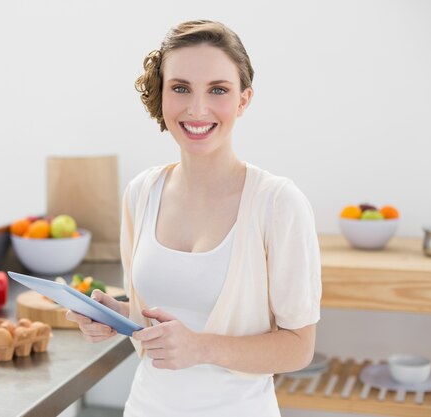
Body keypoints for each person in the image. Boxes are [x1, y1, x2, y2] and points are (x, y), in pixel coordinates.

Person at [67, 20, 322, 417]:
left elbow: (299, 346)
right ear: (162, 94)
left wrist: (201, 347)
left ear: (243, 99)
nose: (197, 108)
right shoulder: (141, 193)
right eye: (180, 88)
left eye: (217, 90)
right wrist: (112, 317)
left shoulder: (278, 203)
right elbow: (155, 320)